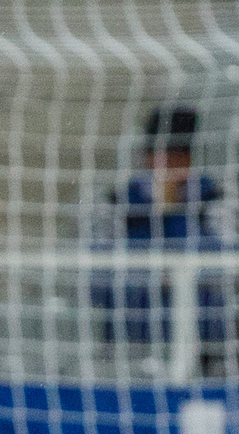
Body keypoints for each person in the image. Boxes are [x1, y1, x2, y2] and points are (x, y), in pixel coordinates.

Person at [90, 107, 227, 363]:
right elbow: (95, 281)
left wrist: (176, 215)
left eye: (179, 156)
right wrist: (155, 273)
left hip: (206, 347)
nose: (168, 166)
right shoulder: (116, 203)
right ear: (147, 156)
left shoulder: (215, 200)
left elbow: (225, 271)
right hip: (130, 344)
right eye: (159, 155)